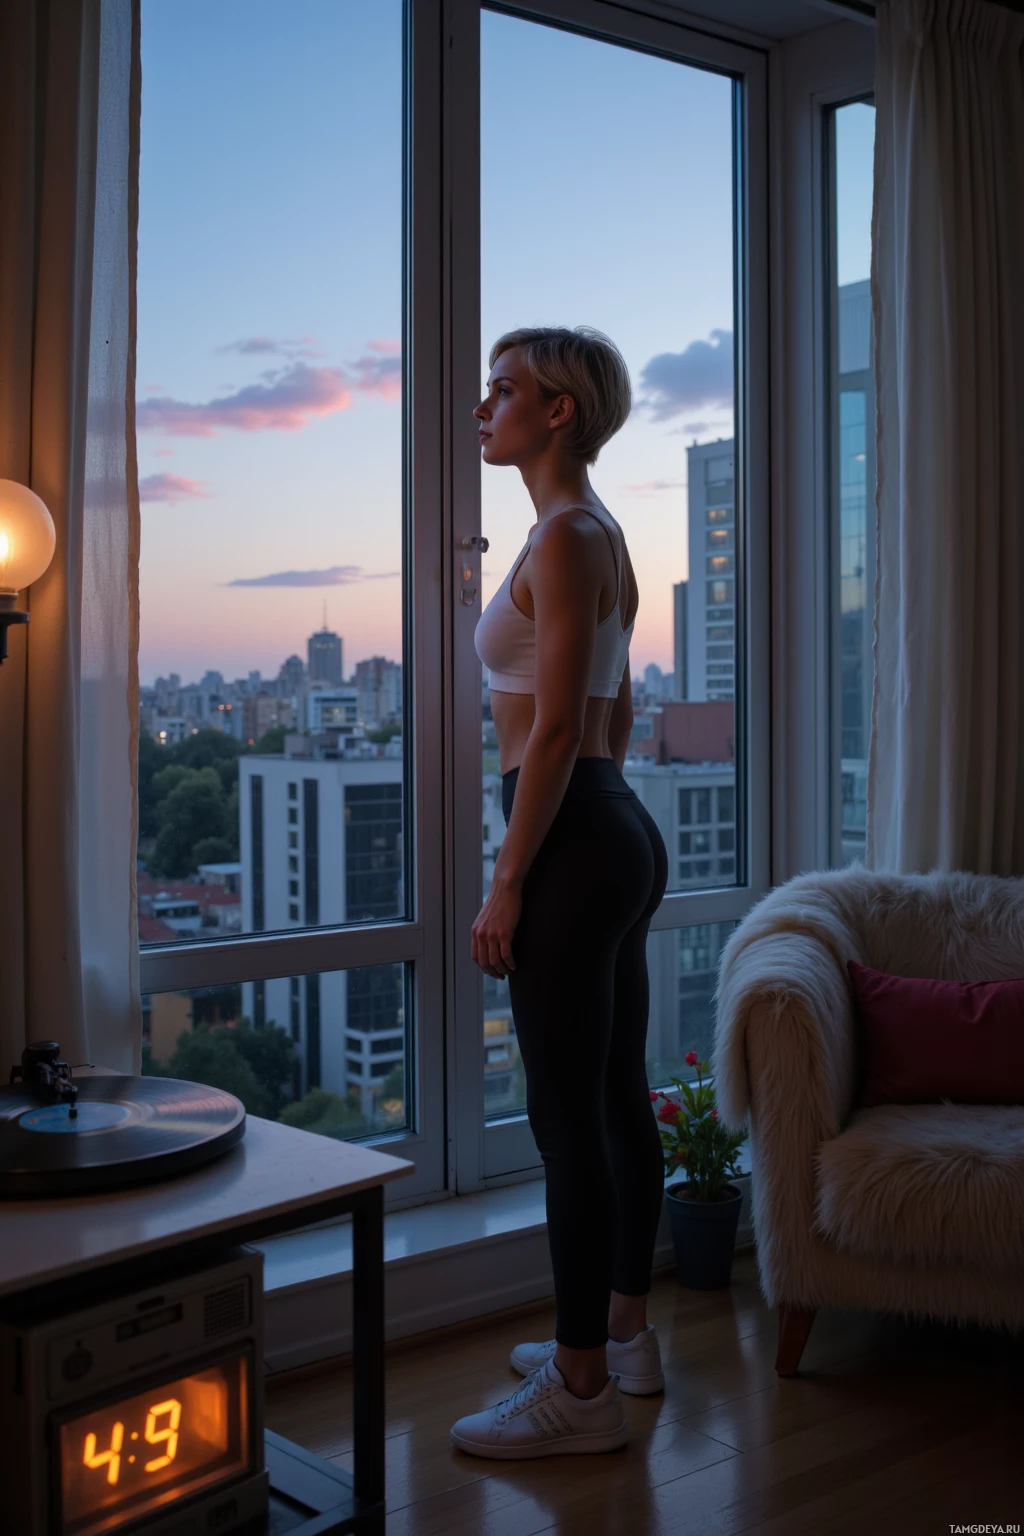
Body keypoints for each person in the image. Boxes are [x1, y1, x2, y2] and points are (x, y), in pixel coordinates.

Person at [449, 327, 669, 1460]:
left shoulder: (570, 534)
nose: (482, 408)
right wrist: (597, 817)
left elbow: (556, 732)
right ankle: (622, 1334)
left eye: (502, 391)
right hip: (611, 824)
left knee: (562, 1119)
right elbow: (616, 711)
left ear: (559, 414)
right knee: (616, 1097)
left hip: (573, 837)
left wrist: (507, 879)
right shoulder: (587, 534)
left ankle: (577, 1391)